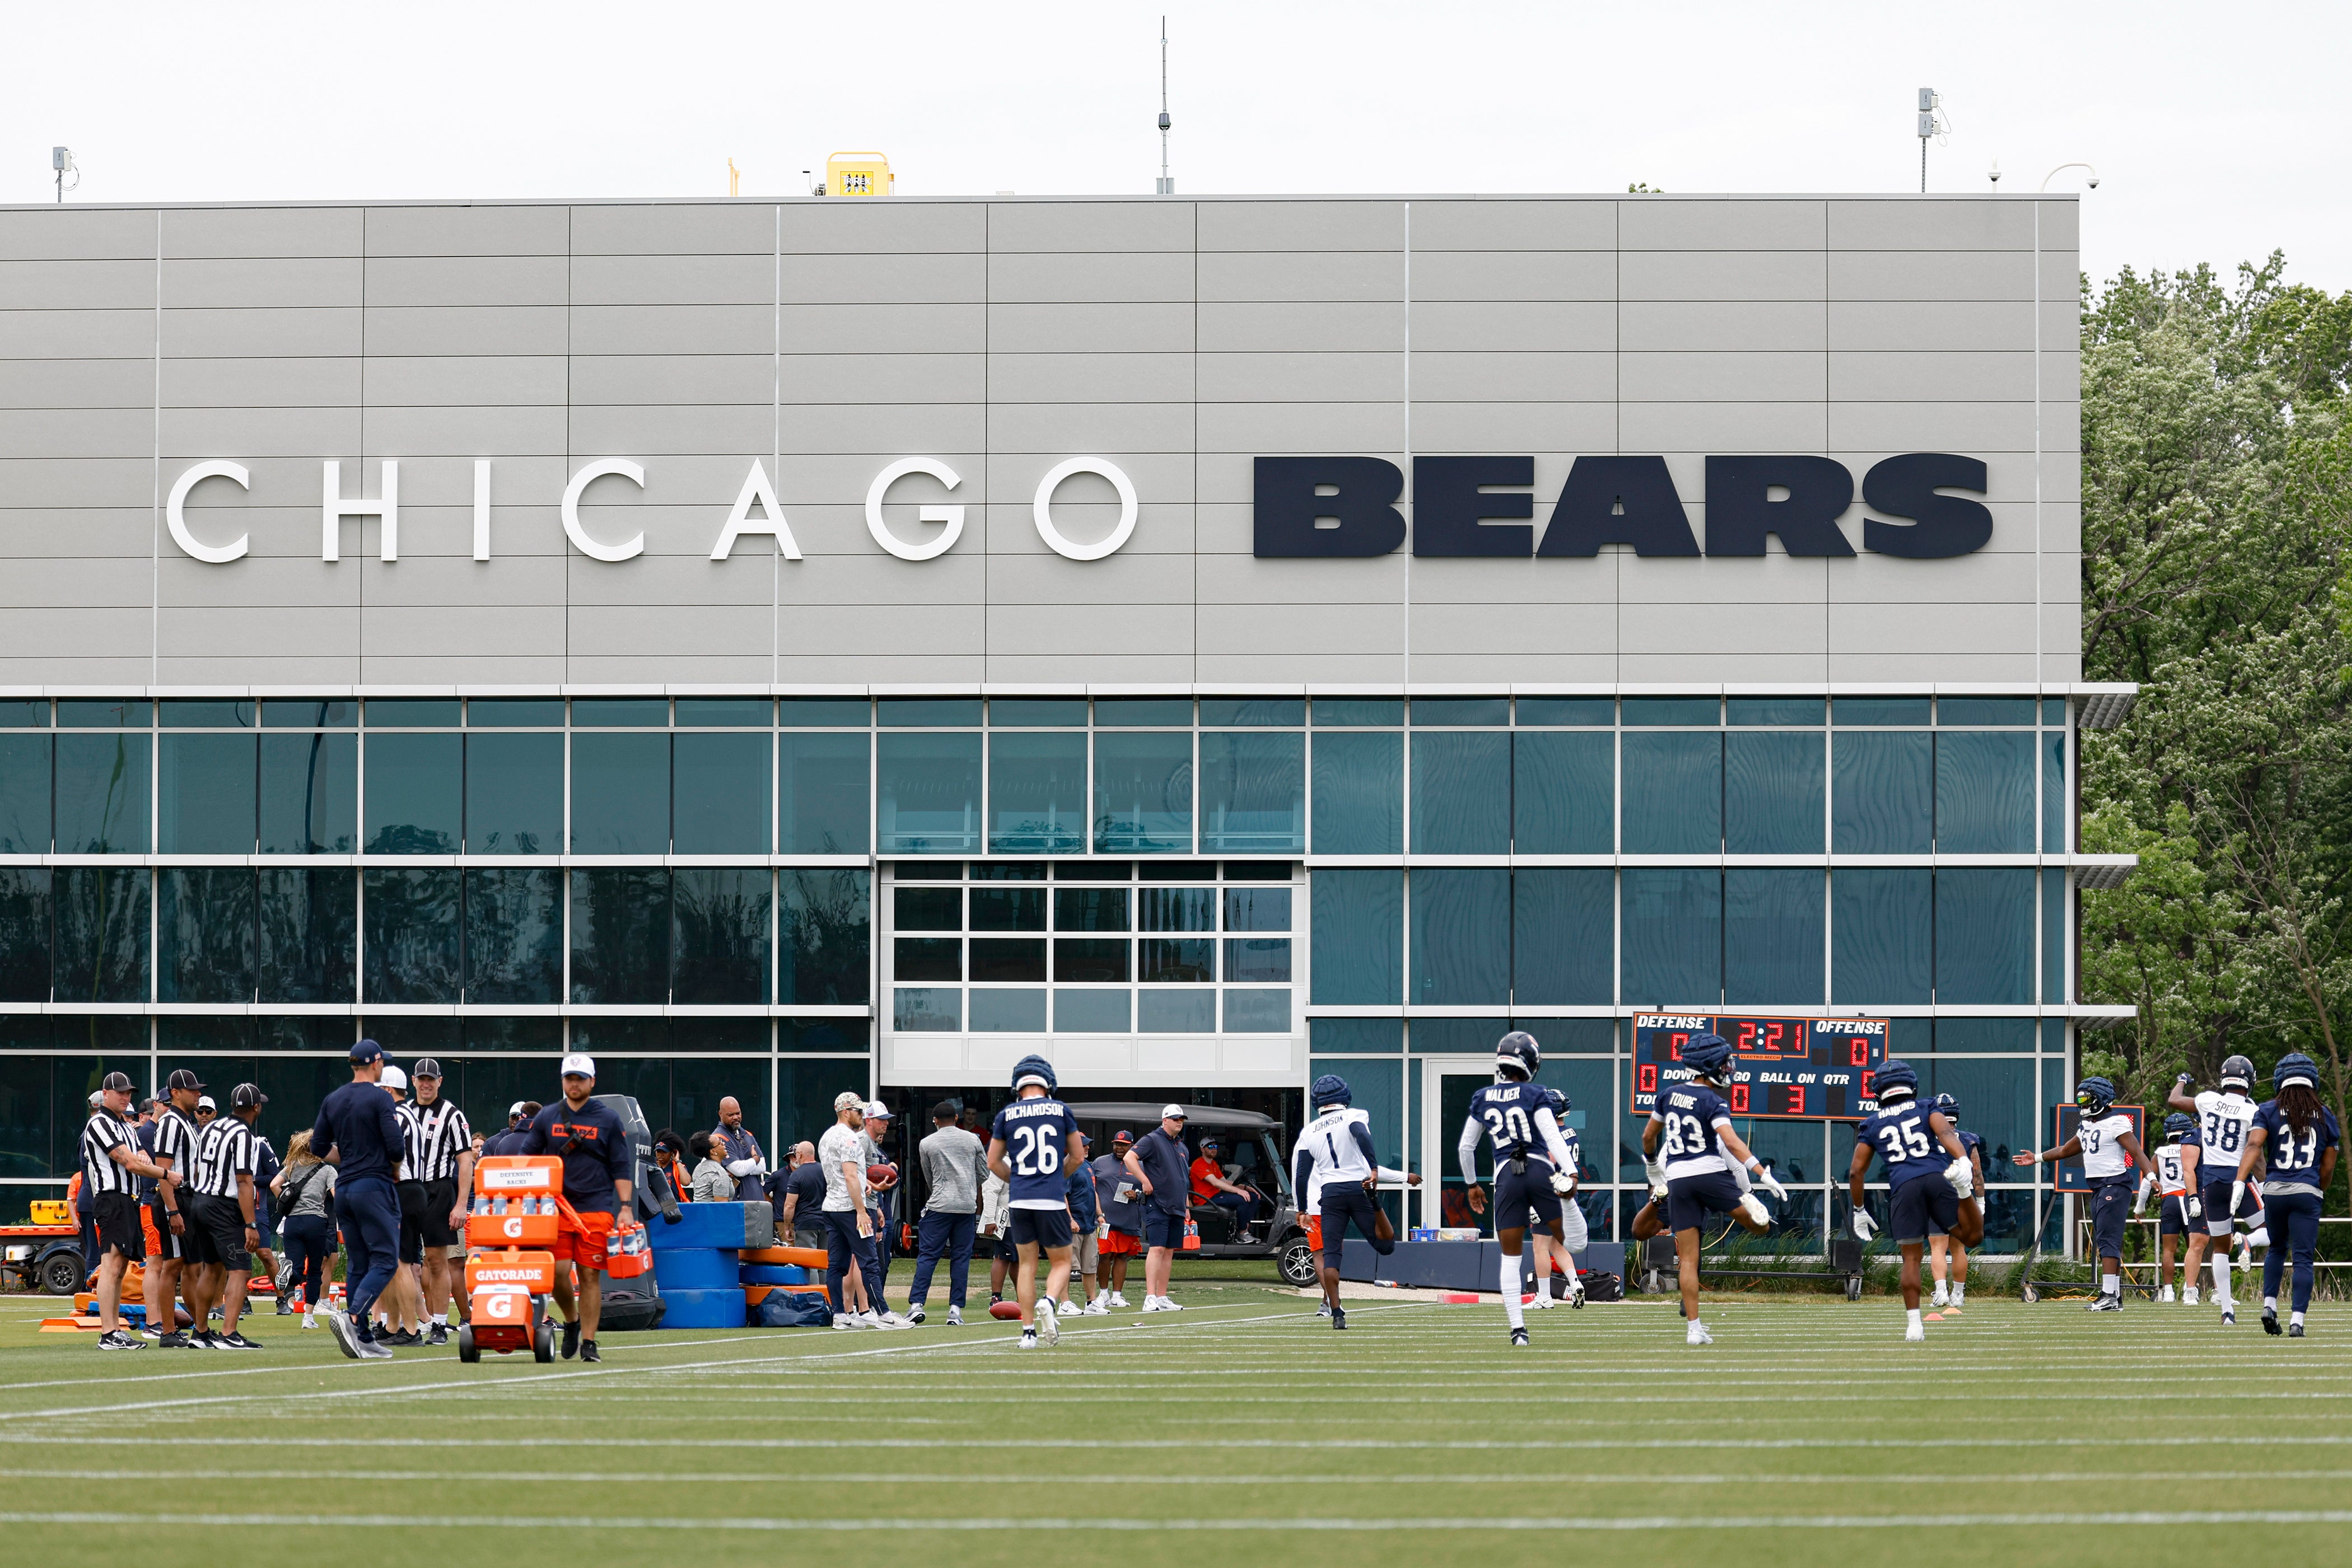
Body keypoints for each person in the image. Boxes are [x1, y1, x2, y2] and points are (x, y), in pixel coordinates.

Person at [1644, 1033, 1786, 1346]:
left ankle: (1694, 1330)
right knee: (1758, 1226)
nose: (1728, 1069)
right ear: (1710, 1065)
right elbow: (1732, 1142)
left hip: (1678, 1179)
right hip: (1709, 1173)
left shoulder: (1667, 1095)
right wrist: (1762, 1173)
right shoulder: (1713, 1100)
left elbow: (1648, 1137)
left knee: (1689, 1261)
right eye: (1724, 1063)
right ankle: (1753, 1210)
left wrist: (1654, 1168)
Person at [1462, 1032, 1591, 1347]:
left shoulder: (1483, 1097)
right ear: (1532, 1062)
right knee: (1574, 1244)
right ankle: (1567, 1199)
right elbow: (1552, 1135)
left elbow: (1467, 1146)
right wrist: (1571, 1174)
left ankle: (1518, 1331)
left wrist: (1472, 1184)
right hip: (1539, 1170)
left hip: (1506, 1176)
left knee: (1511, 1258)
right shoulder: (1535, 1094)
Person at [1849, 1061, 1982, 1342]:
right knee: (1972, 1237)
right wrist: (1962, 1161)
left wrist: (1859, 1210)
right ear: (1911, 1084)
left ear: (1878, 1091)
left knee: (1911, 1258)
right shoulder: (1926, 1106)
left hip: (1904, 1187)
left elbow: (1856, 1171)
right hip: (1937, 1178)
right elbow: (1946, 1134)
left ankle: (1914, 1326)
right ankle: (1963, 1191)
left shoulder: (1872, 1123)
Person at [519, 1054, 635, 1362]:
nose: (574, 1083)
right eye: (570, 1078)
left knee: (589, 1274)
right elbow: (526, 1159)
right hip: (556, 1207)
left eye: (580, 1078)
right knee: (557, 1273)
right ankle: (571, 1321)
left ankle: (589, 1342)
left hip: (596, 1206)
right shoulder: (547, 1116)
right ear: (562, 1081)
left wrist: (625, 1207)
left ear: (592, 1081)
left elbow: (622, 1165)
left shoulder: (608, 1119)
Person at [2014, 1076, 2157, 1313]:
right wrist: (2037, 1158)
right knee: (2105, 1240)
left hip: (2115, 1184)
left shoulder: (2117, 1122)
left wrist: (2151, 1177)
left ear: (2100, 1099)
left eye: (2085, 1099)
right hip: (2099, 1187)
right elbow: (2064, 1150)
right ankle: (2115, 1297)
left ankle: (2109, 1295)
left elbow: (2137, 1151)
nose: (2081, 1104)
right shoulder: (2088, 1125)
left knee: (2108, 1239)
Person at [1295, 1074, 1420, 1330]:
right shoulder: (1354, 1115)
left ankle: (1337, 1313)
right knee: (1386, 1246)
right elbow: (1361, 1135)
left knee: (1331, 1258)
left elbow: (1301, 1173)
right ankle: (1375, 1202)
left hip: (1329, 1195)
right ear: (1344, 1097)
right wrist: (1373, 1167)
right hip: (1356, 1187)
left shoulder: (1309, 1132)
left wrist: (1302, 1209)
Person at [314, 1040, 408, 1360]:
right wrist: (390, 1168)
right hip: (374, 1187)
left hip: (346, 1188)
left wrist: (348, 1159)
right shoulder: (381, 1098)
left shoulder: (334, 1098)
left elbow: (317, 1146)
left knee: (358, 1263)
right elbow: (396, 1149)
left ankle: (364, 1338)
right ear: (376, 1063)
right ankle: (354, 1318)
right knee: (385, 1259)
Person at [2236, 1052, 2341, 1337]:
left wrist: (2239, 1181)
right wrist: (2317, 1189)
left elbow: (2254, 1145)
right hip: (2307, 1189)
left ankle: (2269, 1305)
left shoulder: (2267, 1109)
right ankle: (2297, 1322)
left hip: (2274, 1190)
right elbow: (2328, 1167)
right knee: (2303, 1258)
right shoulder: (2326, 1115)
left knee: (2277, 1248)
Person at [986, 1054, 1083, 1350]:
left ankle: (1028, 1333)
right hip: (1051, 1200)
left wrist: (1018, 1181)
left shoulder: (1006, 1115)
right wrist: (1055, 1178)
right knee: (1063, 1262)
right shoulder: (1060, 1110)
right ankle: (1049, 1301)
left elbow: (993, 1162)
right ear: (1048, 1083)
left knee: (1026, 1266)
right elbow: (1078, 1156)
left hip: (1020, 1201)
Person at [2169, 1058, 2267, 1324]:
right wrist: (2268, 1182)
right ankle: (2248, 1241)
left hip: (2211, 1184)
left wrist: (2181, 1081)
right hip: (2239, 1179)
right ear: (2250, 1080)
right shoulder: (2252, 1110)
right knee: (2273, 1230)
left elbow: (2175, 1100)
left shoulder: (2208, 1100)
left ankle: (2227, 1312)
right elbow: (2255, 1154)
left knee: (2220, 1247)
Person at [82, 1072, 172, 1350]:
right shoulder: (99, 1123)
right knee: (111, 1265)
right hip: (112, 1199)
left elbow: (139, 1157)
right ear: (105, 1094)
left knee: (120, 1267)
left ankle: (115, 1330)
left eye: (129, 1092)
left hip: (129, 1199)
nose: (125, 1097)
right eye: (120, 1092)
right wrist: (166, 1174)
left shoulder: (126, 1127)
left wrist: (142, 1160)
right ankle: (108, 1332)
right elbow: (132, 1163)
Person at [184, 1082, 269, 1348]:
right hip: (223, 1206)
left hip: (199, 1201)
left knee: (212, 1268)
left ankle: (200, 1332)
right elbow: (244, 1181)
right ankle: (229, 1334)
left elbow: (197, 1171)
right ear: (256, 1107)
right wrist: (250, 1223)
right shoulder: (243, 1134)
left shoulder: (210, 1129)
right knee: (241, 1270)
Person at [406, 1059, 473, 1346]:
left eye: (431, 1079)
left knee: (437, 1260)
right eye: (421, 1078)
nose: (426, 1083)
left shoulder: (452, 1115)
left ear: (440, 1081)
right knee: (405, 1262)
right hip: (408, 1189)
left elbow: (466, 1161)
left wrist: (460, 1204)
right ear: (413, 1081)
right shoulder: (403, 1112)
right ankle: (409, 1321)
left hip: (438, 1189)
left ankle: (440, 1325)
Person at [818, 1091, 890, 1329]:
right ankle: (883, 1314)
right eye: (859, 1111)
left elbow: (841, 1175)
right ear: (846, 1111)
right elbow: (849, 1175)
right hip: (850, 1209)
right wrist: (861, 1211)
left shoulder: (827, 1136)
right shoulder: (850, 1138)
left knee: (837, 1264)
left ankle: (839, 1314)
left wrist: (868, 1185)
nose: (862, 1115)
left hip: (832, 1207)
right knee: (870, 1261)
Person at [909, 1100, 985, 1326]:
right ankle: (955, 1310)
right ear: (956, 1118)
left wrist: (942, 1190)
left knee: (928, 1256)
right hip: (965, 1206)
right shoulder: (974, 1139)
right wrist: (967, 1186)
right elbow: (983, 1173)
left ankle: (916, 1305)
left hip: (940, 1205)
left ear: (935, 1121)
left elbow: (928, 1175)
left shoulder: (927, 1143)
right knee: (961, 1258)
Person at [143, 1071, 202, 1347]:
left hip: (188, 1199)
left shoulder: (187, 1122)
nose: (198, 1094)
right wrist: (172, 1210)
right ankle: (167, 1331)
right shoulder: (170, 1123)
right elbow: (163, 1170)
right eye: (192, 1090)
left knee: (193, 1266)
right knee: (173, 1265)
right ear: (176, 1093)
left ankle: (200, 1328)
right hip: (175, 1197)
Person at [1124, 1104, 1193, 1313]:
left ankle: (1162, 1296)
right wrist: (1144, 1181)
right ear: (1165, 1121)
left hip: (1177, 1206)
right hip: (1158, 1202)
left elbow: (1183, 1178)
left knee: (1169, 1251)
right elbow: (1129, 1158)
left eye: (1181, 1119)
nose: (1179, 1122)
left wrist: (1187, 1205)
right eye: (1175, 1119)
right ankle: (1150, 1296)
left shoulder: (1182, 1148)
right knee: (1157, 1249)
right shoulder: (1153, 1139)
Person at [1926, 1091, 1987, 1310]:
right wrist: (1980, 1203)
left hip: (1937, 1197)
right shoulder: (1968, 1139)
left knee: (1937, 1248)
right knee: (1958, 1249)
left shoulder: (1926, 1139)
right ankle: (1958, 1295)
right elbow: (1977, 1173)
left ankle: (1941, 1291)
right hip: (1962, 1198)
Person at [2139, 1112, 2204, 1304]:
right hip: (2190, 1199)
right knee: (2195, 1246)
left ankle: (2168, 1292)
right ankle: (2189, 1288)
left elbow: (2148, 1181)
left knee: (2169, 1250)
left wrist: (2140, 1206)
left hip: (2170, 1203)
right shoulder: (2193, 1148)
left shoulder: (2160, 1153)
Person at [274, 1130, 336, 1328]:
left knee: (297, 1268)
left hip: (292, 1222)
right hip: (315, 1221)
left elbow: (275, 1184)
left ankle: (289, 1270)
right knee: (316, 1270)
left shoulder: (292, 1167)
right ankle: (308, 1317)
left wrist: (286, 1201)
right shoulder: (327, 1170)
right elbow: (337, 1195)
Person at [1093, 1130, 1144, 1308]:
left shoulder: (1140, 1165)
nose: (1119, 1148)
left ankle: (1117, 1295)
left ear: (1132, 1145)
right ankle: (1104, 1294)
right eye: (1117, 1144)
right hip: (1105, 1220)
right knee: (1104, 1255)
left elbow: (1149, 1188)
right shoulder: (1100, 1162)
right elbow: (1091, 1187)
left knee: (1123, 1256)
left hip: (1129, 1218)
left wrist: (1137, 1195)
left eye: (1123, 1145)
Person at [1060, 1131, 1107, 1315]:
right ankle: (1065, 1303)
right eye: (1083, 1144)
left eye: (1087, 1144)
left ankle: (1091, 1302)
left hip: (1089, 1223)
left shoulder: (1087, 1165)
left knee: (1090, 1266)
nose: (1087, 1147)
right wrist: (1069, 1219)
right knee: (1066, 1265)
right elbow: (1061, 1194)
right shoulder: (1067, 1166)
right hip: (1073, 1223)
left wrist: (1100, 1214)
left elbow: (1093, 1192)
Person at [1189, 1136, 1262, 1242]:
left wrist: (1245, 1188)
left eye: (1215, 1146)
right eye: (1210, 1147)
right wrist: (1239, 1191)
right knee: (1242, 1200)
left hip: (1217, 1196)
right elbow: (1216, 1183)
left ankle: (1246, 1227)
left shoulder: (1214, 1164)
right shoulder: (1198, 1164)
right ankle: (1242, 1233)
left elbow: (1226, 1183)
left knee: (1254, 1197)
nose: (1214, 1149)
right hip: (1206, 1200)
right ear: (1202, 1149)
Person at [861, 1103, 900, 1292]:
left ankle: (874, 1305)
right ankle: (864, 1306)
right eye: (881, 1119)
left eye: (887, 1120)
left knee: (881, 1262)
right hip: (863, 1209)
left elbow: (891, 1183)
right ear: (869, 1120)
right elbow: (855, 1176)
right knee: (868, 1262)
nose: (886, 1124)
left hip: (878, 1208)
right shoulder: (861, 1142)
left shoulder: (879, 1152)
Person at [713, 1096, 771, 1203]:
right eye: (731, 1115)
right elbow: (738, 1170)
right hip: (738, 1205)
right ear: (721, 1114)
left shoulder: (747, 1135)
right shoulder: (718, 1138)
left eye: (738, 1113)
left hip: (757, 1203)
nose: (736, 1117)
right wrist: (755, 1159)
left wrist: (744, 1168)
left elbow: (762, 1167)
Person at [250, 1128, 283, 1313]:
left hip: (256, 1208)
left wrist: (251, 1180)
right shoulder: (227, 1144)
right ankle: (241, 1301)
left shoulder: (260, 1146)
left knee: (265, 1254)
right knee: (234, 1257)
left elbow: (274, 1176)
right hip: (232, 1209)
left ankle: (281, 1298)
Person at [778, 1141, 826, 1248]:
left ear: (800, 1154)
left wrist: (787, 1227)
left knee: (807, 1262)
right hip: (826, 1223)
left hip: (805, 1224)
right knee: (825, 1261)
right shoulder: (825, 1171)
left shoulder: (796, 1175)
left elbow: (790, 1205)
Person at [688, 1131, 734, 1202]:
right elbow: (721, 1206)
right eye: (720, 1143)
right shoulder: (718, 1172)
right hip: (713, 1213)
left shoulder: (699, 1167)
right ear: (713, 1151)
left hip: (698, 1212)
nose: (724, 1144)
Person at [651, 1131, 690, 1204]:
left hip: (675, 1205)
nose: (660, 1155)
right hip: (655, 1206)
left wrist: (677, 1160)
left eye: (664, 1152)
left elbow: (686, 1182)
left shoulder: (677, 1167)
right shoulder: (651, 1167)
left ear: (672, 1153)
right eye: (658, 1151)